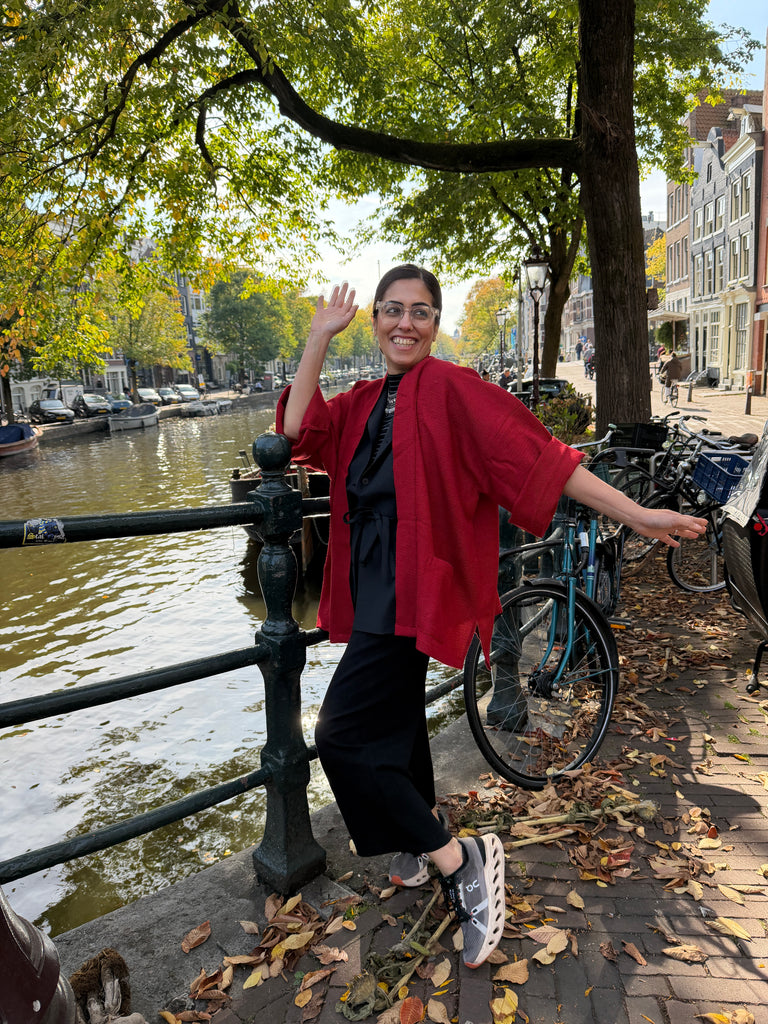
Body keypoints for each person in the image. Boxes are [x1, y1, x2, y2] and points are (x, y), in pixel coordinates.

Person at [277, 265, 706, 969]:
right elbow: (297, 431)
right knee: (400, 724)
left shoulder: (454, 390)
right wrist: (320, 336)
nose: (404, 323)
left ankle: (460, 861)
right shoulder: (357, 403)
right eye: (391, 311)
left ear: (436, 322)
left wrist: (639, 514)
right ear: (376, 320)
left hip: (419, 588)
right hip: (375, 592)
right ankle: (417, 848)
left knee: (341, 733)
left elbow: (541, 460)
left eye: (419, 311)